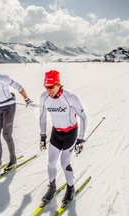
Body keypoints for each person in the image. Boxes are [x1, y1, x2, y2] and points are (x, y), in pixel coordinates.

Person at [39, 70, 87, 204]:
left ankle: (70, 188)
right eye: (46, 87)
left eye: (51, 87)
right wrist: (42, 135)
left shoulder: (70, 97)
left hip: (70, 134)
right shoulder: (44, 98)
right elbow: (42, 116)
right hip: (56, 133)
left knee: (65, 162)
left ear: (58, 84)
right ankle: (52, 187)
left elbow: (83, 117)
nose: (49, 90)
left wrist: (81, 139)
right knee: (51, 163)